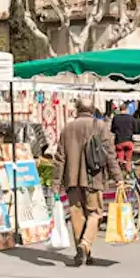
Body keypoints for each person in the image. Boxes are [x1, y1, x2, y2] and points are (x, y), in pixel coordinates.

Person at [52, 98, 123, 267]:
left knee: (77, 214)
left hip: (72, 179)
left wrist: (56, 184)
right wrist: (118, 177)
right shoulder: (100, 126)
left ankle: (83, 250)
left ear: (77, 109)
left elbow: (59, 159)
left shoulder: (67, 129)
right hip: (93, 178)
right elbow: (110, 155)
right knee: (95, 213)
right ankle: (85, 245)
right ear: (93, 110)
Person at [110, 102, 138, 171]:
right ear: (127, 109)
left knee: (120, 159)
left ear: (119, 109)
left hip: (119, 142)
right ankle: (128, 171)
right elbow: (136, 130)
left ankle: (120, 171)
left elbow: (112, 130)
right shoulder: (131, 118)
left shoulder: (115, 118)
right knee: (128, 160)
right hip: (129, 141)